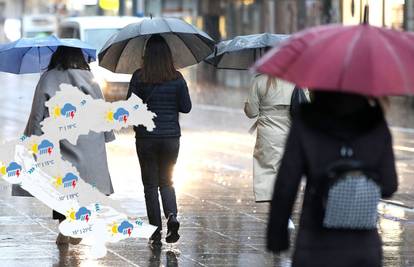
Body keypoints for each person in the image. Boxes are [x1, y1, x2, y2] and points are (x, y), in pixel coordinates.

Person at [267, 91, 398, 267]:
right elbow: (389, 185)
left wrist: (278, 238)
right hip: (363, 248)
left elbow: (286, 184)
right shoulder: (376, 124)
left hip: (315, 245)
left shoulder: (306, 122)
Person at [13, 46, 115, 245]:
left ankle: (65, 227)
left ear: (56, 56)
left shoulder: (48, 77)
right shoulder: (88, 76)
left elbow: (37, 111)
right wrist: (107, 135)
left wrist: (32, 137)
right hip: (87, 137)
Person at [127, 34, 191, 247]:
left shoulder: (138, 77)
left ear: (146, 55)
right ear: (168, 55)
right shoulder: (177, 77)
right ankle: (172, 216)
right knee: (167, 181)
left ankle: (155, 231)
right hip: (171, 137)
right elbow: (186, 107)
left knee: (150, 186)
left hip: (146, 138)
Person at [244, 74, 296, 228]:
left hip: (268, 133)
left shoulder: (260, 81)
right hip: (290, 131)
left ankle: (279, 213)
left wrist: (247, 105)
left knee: (269, 172)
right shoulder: (297, 80)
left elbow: (251, 112)